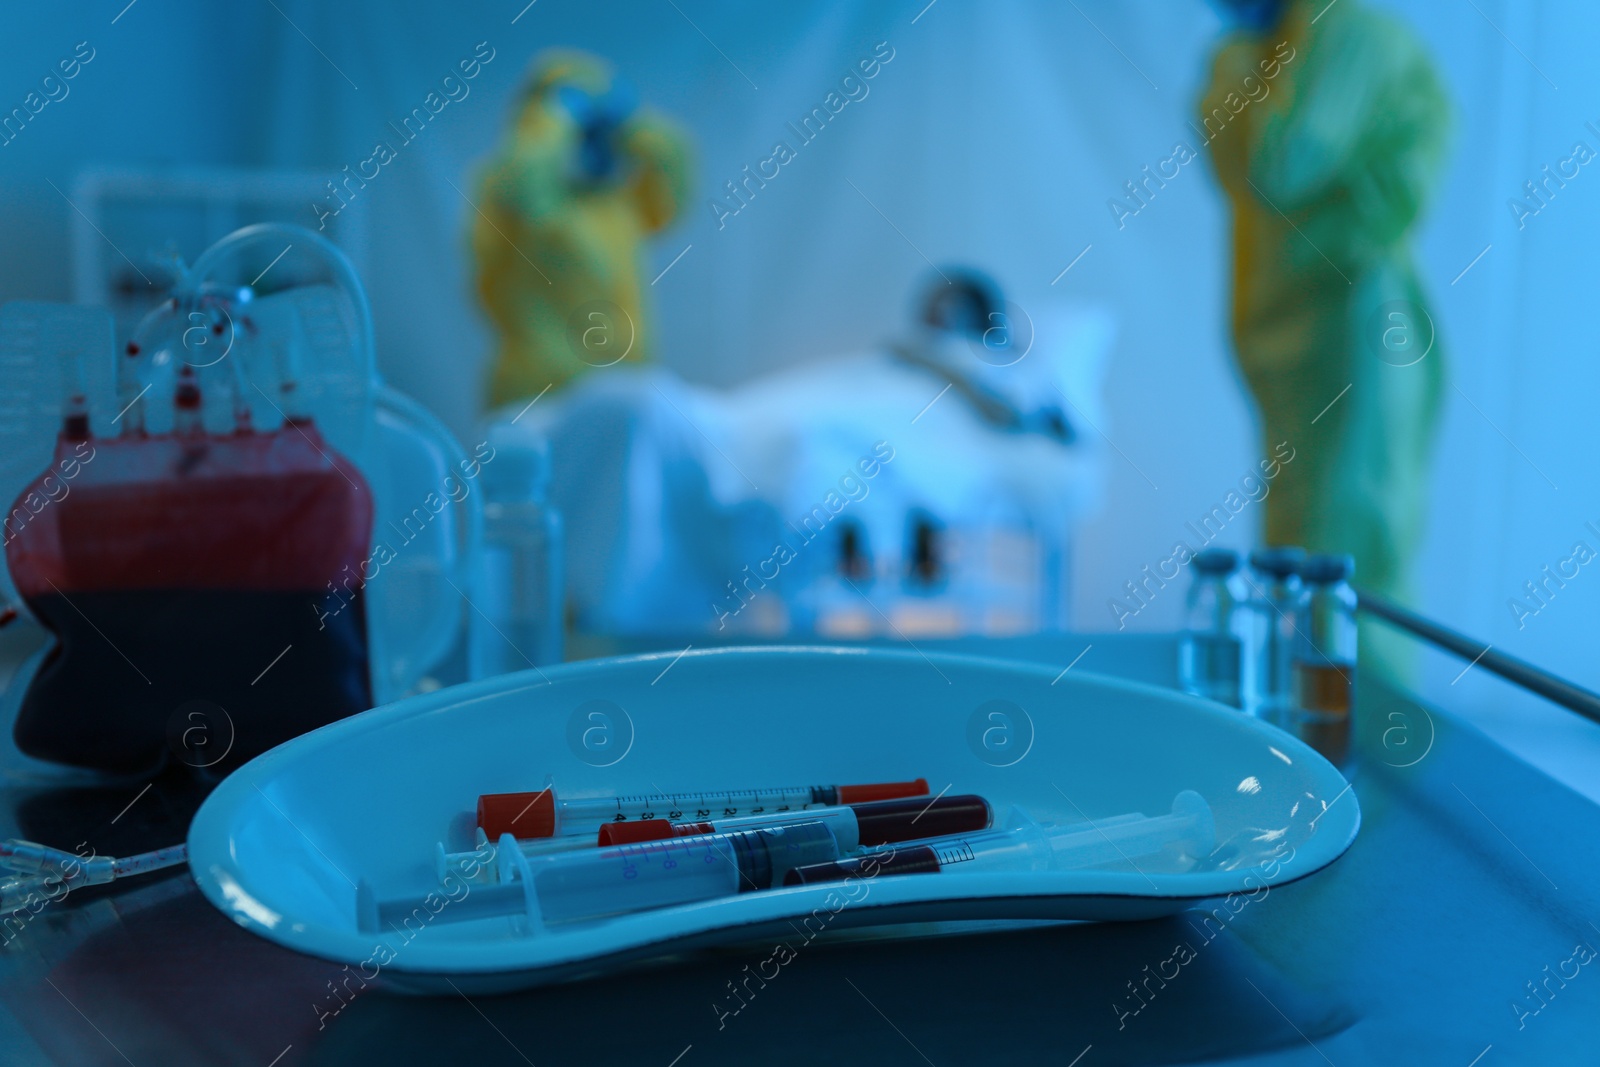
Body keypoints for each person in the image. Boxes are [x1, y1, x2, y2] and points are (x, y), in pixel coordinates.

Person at [1201, 0, 1451, 677]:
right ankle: (1302, 719)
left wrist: (1239, 70)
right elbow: (1235, 162)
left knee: (1358, 534)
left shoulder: (1350, 35)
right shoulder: (1261, 46)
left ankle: (1371, 732)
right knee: (1295, 537)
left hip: (1357, 324)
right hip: (1284, 324)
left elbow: (1282, 161)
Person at [472, 50, 692, 409]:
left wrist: (634, 125)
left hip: (625, 393)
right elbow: (523, 188)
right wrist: (558, 115)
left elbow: (675, 172)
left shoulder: (616, 203)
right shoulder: (503, 187)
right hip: (537, 401)